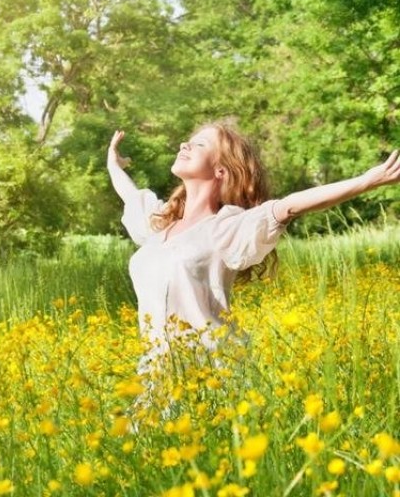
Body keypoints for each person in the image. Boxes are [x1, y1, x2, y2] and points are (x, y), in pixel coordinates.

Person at [107, 121, 400, 374]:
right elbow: (131, 195)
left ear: (221, 170)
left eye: (199, 144)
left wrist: (366, 181)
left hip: (209, 371)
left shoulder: (226, 228)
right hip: (156, 372)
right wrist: (112, 164)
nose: (185, 144)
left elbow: (289, 206)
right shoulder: (159, 227)